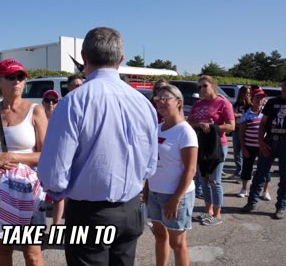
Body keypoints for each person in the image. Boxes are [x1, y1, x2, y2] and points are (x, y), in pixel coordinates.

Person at [38, 27, 158, 266]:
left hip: (90, 214)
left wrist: (60, 192)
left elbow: (54, 174)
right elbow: (149, 166)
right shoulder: (144, 104)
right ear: (121, 59)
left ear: (83, 58)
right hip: (131, 209)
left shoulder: (74, 101)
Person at [0, 58, 48, 266]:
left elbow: (47, 155)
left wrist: (13, 157)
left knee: (32, 254)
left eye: (21, 77)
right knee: (2, 253)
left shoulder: (36, 111)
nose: (17, 81)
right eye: (11, 77)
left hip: (28, 193)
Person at [143, 85, 198, 266]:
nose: (161, 102)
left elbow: (191, 170)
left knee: (178, 242)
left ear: (179, 102)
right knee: (160, 236)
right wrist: (146, 189)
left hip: (175, 195)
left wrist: (176, 199)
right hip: (155, 192)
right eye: (158, 99)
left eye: (166, 98)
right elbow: (152, 163)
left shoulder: (185, 131)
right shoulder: (156, 128)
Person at [242, 76, 286, 219]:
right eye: (284, 85)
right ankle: (251, 202)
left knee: (285, 176)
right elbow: (263, 123)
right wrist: (261, 141)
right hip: (270, 141)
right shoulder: (272, 102)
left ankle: (281, 207)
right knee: (260, 172)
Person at [187, 75, 235, 226]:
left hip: (217, 145)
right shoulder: (198, 104)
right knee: (203, 179)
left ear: (213, 86)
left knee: (214, 180)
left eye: (204, 86)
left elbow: (231, 126)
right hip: (201, 144)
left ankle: (217, 214)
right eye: (199, 86)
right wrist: (199, 124)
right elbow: (190, 122)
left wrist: (213, 127)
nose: (201, 89)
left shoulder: (223, 103)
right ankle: (208, 211)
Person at [238, 88, 271, 198]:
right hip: (249, 146)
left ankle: (265, 191)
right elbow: (241, 133)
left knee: (265, 169)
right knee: (247, 168)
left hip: (263, 146)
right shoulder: (247, 114)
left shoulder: (267, 114)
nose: (259, 99)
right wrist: (243, 147)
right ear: (252, 98)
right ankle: (244, 189)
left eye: (262, 98)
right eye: (257, 97)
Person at [41, 89, 65, 225]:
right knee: (39, 198)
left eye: (54, 100)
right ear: (43, 102)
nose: (50, 103)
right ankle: (39, 227)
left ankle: (56, 226)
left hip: (57, 163)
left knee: (58, 197)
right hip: (38, 163)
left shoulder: (61, 119)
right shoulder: (37, 118)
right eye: (47, 100)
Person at [229, 86, 252, 182]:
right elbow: (230, 115)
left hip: (245, 131)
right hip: (236, 129)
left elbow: (251, 116)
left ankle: (242, 173)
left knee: (243, 151)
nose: (247, 94)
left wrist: (238, 115)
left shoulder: (249, 105)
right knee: (236, 152)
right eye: (245, 92)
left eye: (248, 93)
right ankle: (238, 170)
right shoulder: (236, 104)